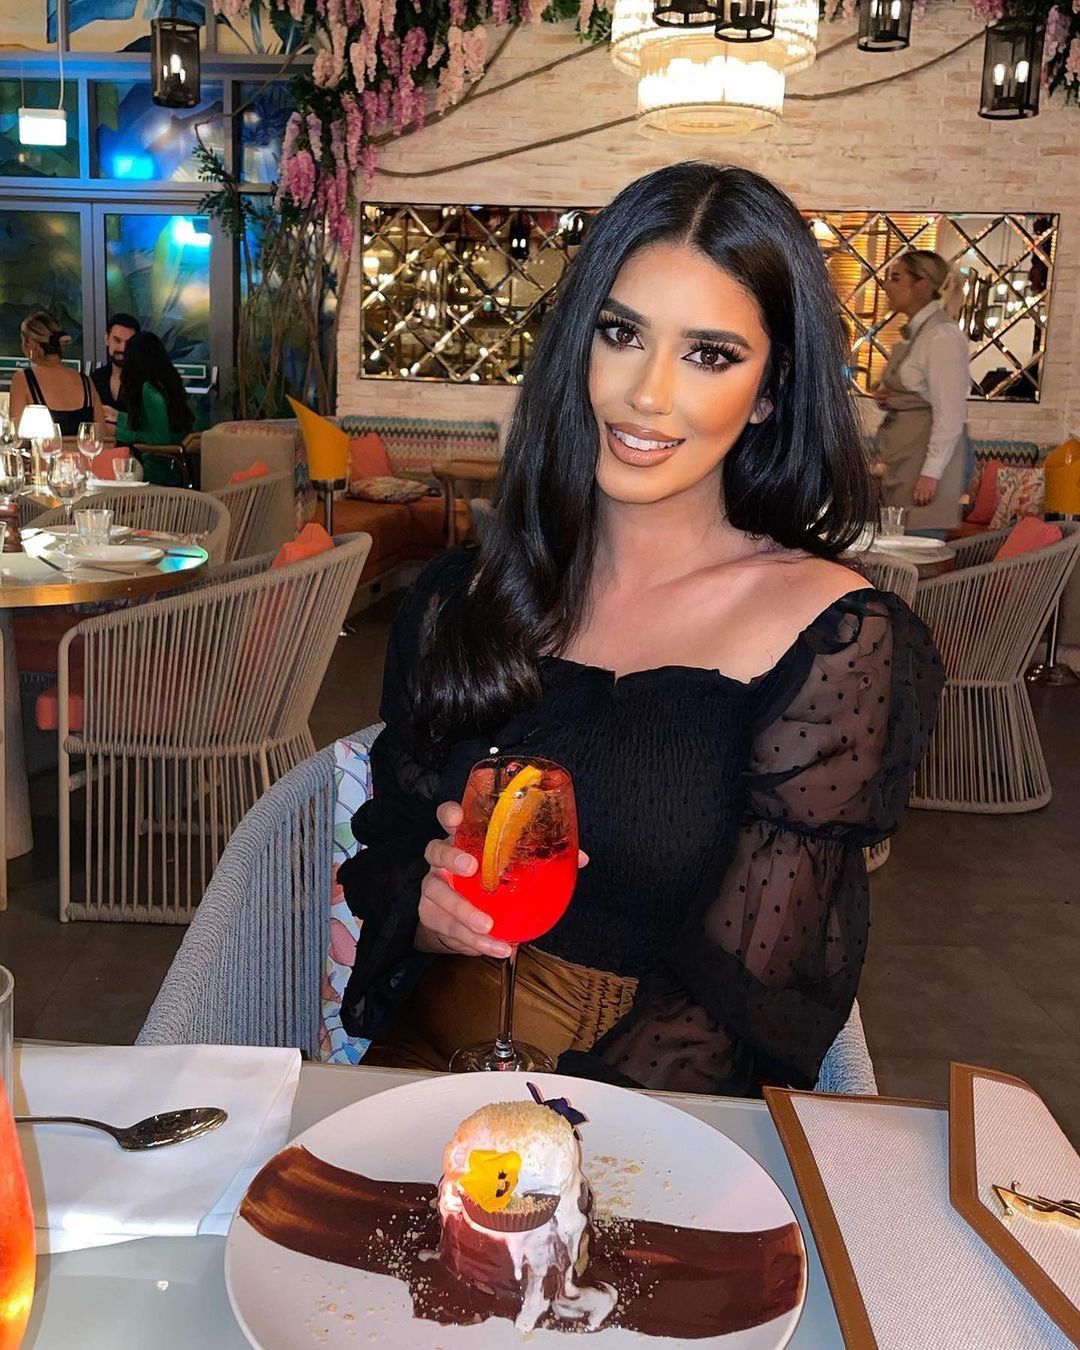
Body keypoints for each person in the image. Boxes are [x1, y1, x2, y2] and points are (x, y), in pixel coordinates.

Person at [337, 162, 944, 1096]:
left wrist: (561, 1135)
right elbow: (390, 836)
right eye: (622, 334)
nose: (647, 395)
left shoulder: (835, 640)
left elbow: (746, 998)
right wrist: (426, 908)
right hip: (429, 1071)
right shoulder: (467, 595)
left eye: (710, 355)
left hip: (654, 1109)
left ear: (770, 390)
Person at [874, 250, 972, 533]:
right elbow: (919, 391)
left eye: (896, 278)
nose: (886, 286)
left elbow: (950, 413)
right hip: (906, 457)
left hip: (924, 462)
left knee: (920, 541)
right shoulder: (919, 333)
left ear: (922, 285)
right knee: (897, 537)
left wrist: (931, 474)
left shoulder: (942, 336)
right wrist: (890, 396)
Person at [115, 331, 194, 486]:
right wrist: (118, 417)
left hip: (159, 472)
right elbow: (153, 423)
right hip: (177, 468)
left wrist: (120, 432)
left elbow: (160, 440)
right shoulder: (167, 384)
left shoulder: (150, 389)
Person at [8, 311, 104, 437]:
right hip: (84, 450)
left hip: (42, 450)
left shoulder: (23, 379)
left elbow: (15, 436)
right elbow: (103, 437)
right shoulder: (86, 381)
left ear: (30, 343)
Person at [90, 312, 141, 427]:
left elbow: (155, 427)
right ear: (107, 339)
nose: (123, 348)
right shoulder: (97, 377)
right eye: (117, 340)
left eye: (129, 343)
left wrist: (119, 417)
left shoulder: (145, 380)